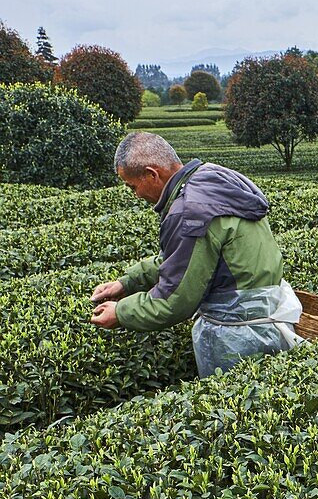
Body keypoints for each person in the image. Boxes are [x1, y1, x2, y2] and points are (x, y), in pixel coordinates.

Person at [90, 132, 304, 377]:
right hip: (264, 317)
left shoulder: (189, 210)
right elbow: (189, 258)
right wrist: (127, 282)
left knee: (233, 404)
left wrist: (120, 313)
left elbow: (175, 300)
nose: (136, 195)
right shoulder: (211, 179)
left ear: (152, 174)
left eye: (132, 186)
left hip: (236, 334)